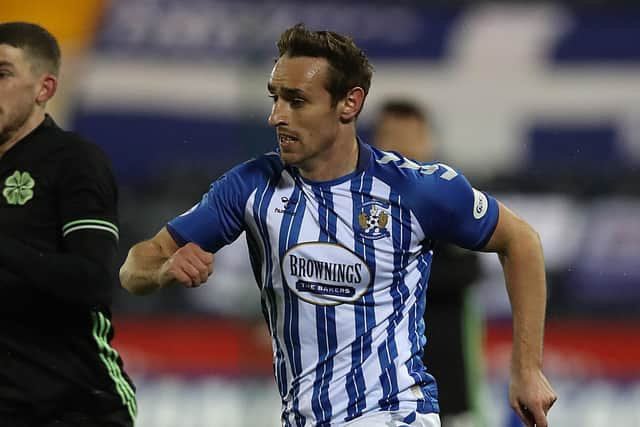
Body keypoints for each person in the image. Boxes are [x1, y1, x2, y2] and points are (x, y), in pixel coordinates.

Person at [120, 23, 556, 427]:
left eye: (297, 100)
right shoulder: (250, 187)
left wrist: (527, 369)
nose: (277, 116)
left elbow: (521, 241)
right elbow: (135, 265)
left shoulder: (414, 189)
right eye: (275, 97)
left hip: (395, 413)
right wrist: (162, 269)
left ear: (349, 103)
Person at [0, 22, 136, 426]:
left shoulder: (73, 161)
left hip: (72, 405)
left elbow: (90, 279)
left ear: (45, 90)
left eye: (3, 74)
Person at [373, 100, 484, 427]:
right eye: (388, 134)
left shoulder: (447, 199)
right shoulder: (361, 200)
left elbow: (468, 270)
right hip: (377, 383)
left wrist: (395, 272)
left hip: (444, 375)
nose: (396, 145)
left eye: (406, 135)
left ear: (426, 140)